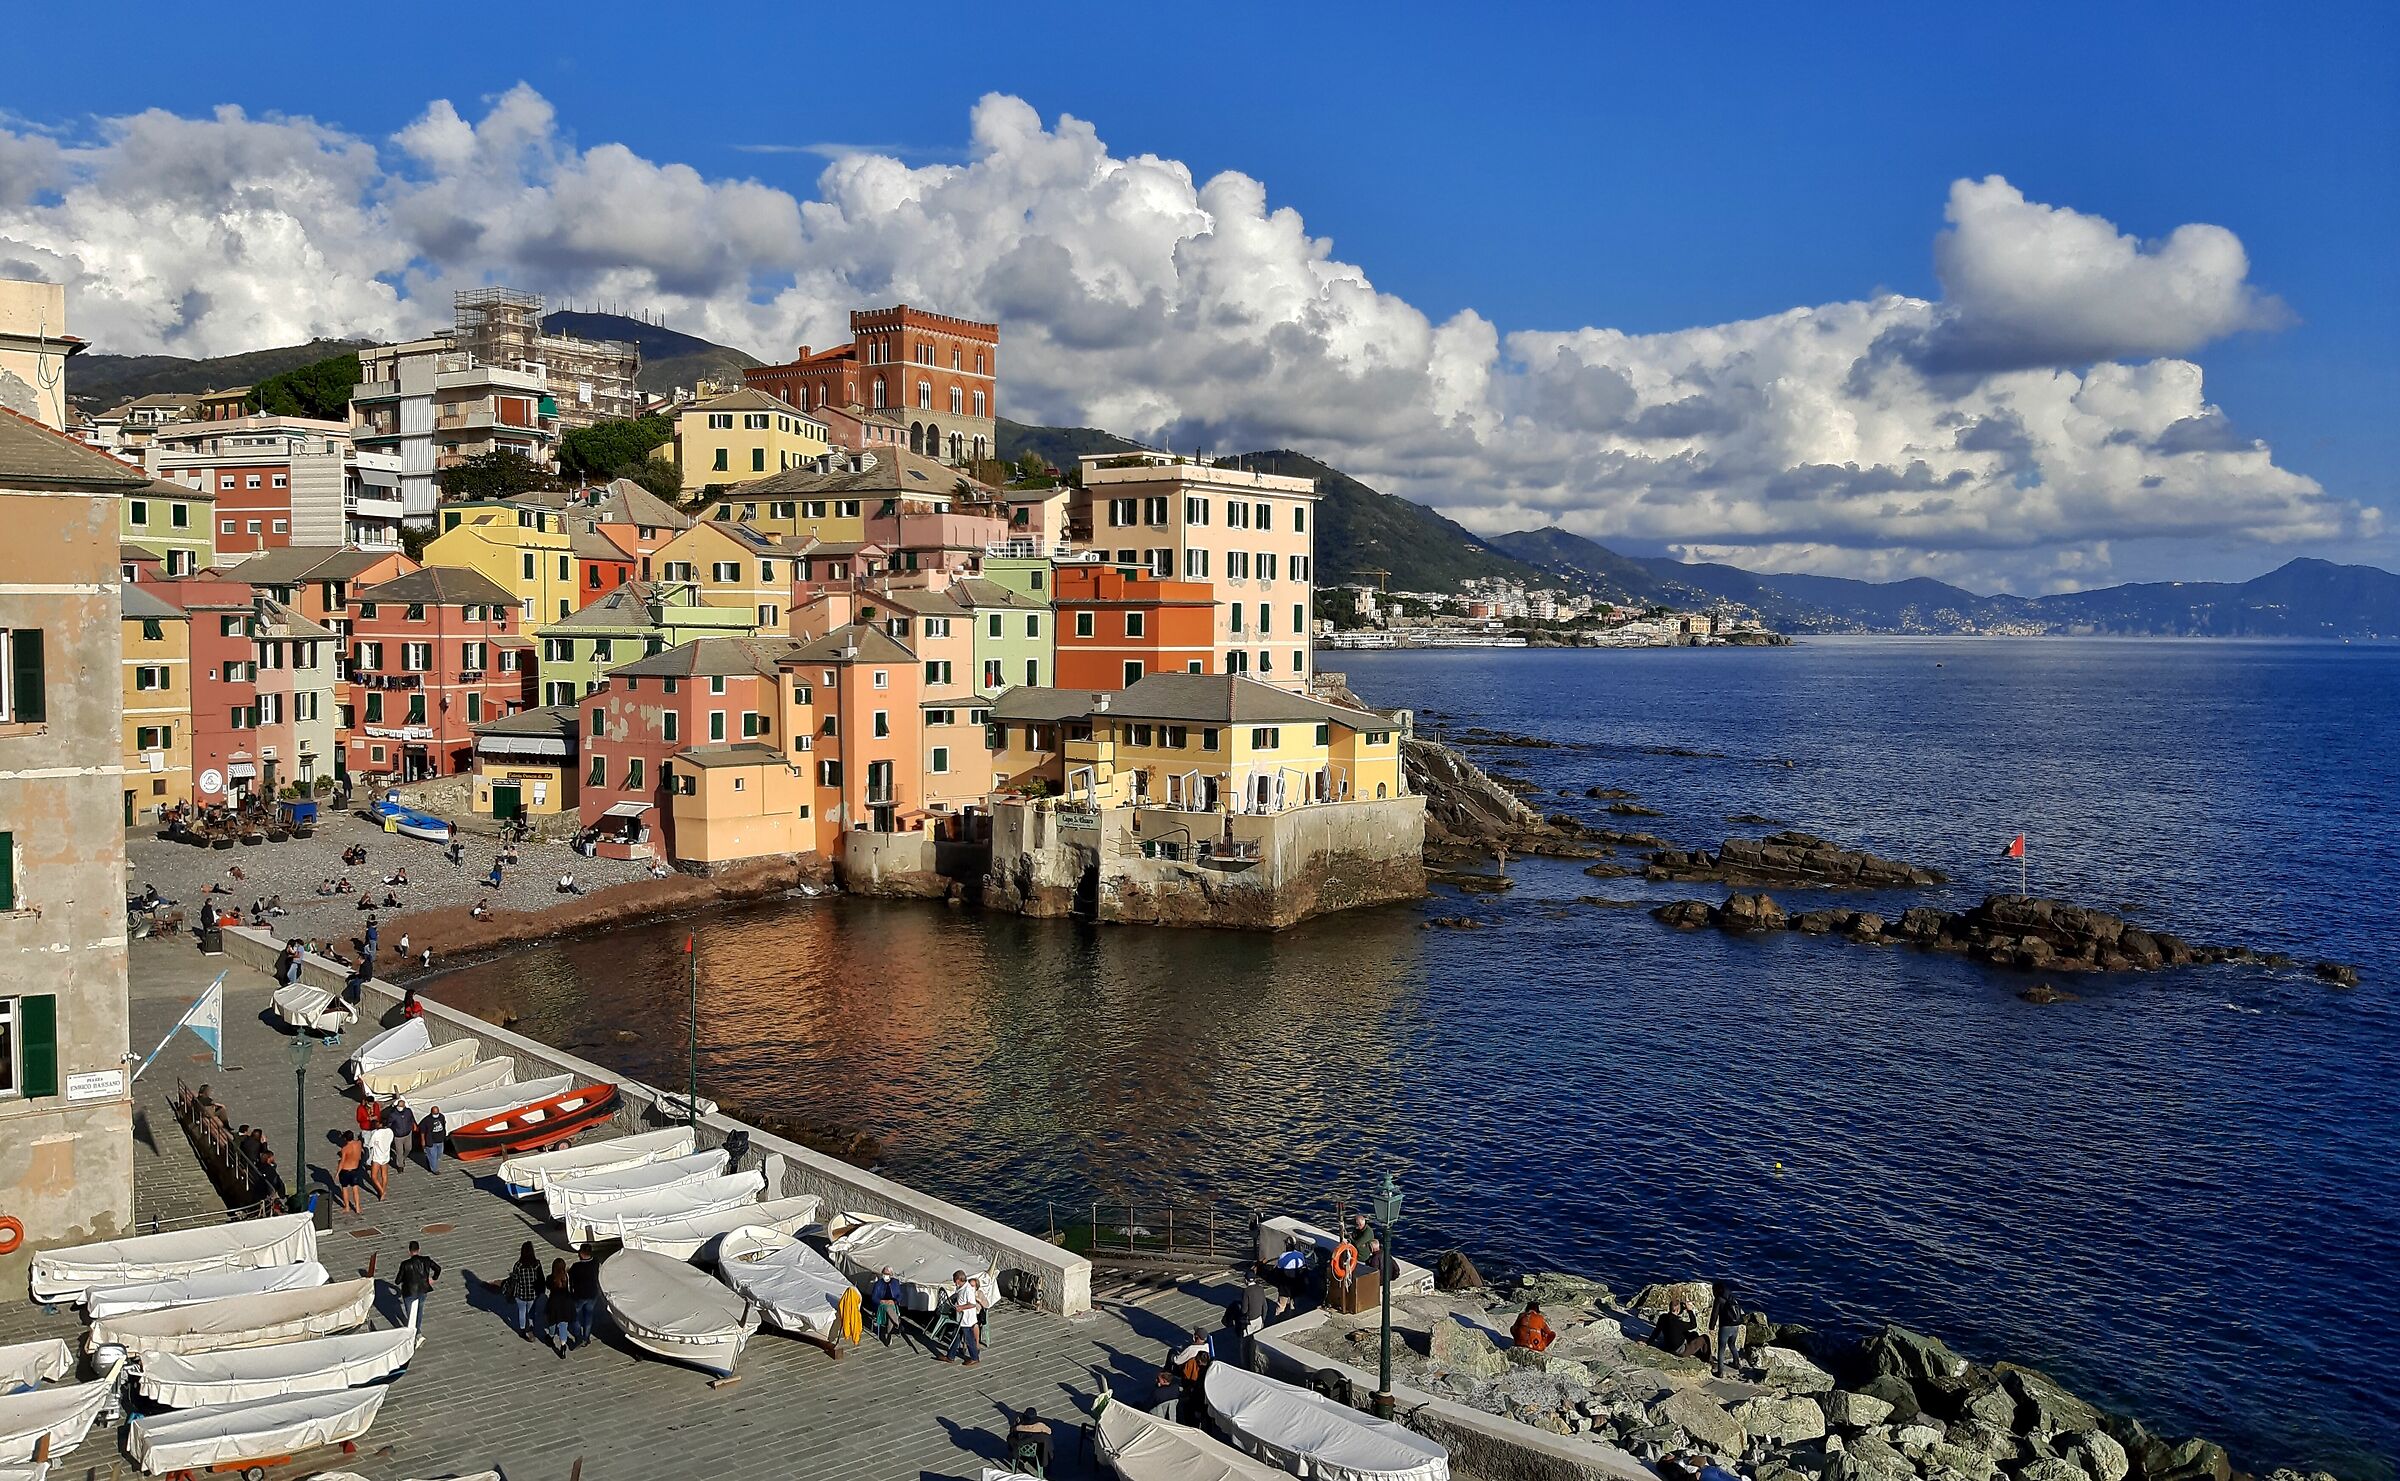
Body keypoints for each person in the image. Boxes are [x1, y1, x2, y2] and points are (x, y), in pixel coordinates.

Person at [502, 1242, 545, 1339]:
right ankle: (530, 1328)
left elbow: (515, 1279)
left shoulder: (518, 1265)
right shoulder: (536, 1264)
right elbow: (541, 1278)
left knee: (521, 1311)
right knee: (530, 1312)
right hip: (532, 1293)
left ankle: (522, 1330)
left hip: (520, 1293)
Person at [396, 1239, 440, 1333]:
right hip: (423, 1289)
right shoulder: (426, 1260)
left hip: (409, 1291)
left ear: (409, 1251)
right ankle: (418, 1329)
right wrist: (433, 1278)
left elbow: (397, 1281)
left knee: (410, 1313)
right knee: (419, 1310)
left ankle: (414, 1332)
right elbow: (438, 1268)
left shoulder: (405, 1264)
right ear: (419, 1249)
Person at [1171, 1327, 1212, 1425]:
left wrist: (1173, 1356)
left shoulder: (1191, 1349)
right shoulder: (1207, 1348)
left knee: (1171, 1354)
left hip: (1189, 1377)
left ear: (1196, 1337)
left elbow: (1177, 1360)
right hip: (1195, 1377)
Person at [941, 1270, 981, 1365]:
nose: (955, 1282)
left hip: (966, 1319)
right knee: (956, 1336)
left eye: (955, 1280)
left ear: (959, 1279)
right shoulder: (962, 1288)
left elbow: (972, 1304)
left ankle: (974, 1357)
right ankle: (950, 1356)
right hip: (961, 1319)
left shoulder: (968, 1290)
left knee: (969, 1339)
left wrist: (961, 1307)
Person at [1709, 1281, 1746, 1377]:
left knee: (1721, 1349)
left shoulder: (1719, 1299)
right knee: (1732, 1345)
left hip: (1725, 1326)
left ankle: (1720, 1372)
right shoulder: (1731, 1296)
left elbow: (1714, 1314)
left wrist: (1711, 1327)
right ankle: (1736, 1363)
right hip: (1736, 1325)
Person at [568, 1247, 603, 1348]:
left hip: (580, 1295)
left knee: (576, 1316)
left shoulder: (576, 1267)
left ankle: (579, 1337)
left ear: (582, 1253)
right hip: (592, 1294)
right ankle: (586, 1337)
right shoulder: (595, 1262)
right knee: (588, 1316)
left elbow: (572, 1279)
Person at [1006, 1407, 1054, 1475]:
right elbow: (1049, 1431)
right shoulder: (1039, 1426)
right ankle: (1045, 1462)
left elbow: (1011, 1434)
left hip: (1021, 1447)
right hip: (1036, 1448)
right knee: (1047, 1438)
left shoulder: (1019, 1426)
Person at [545, 1258, 577, 1357]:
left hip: (554, 1302)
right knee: (563, 1325)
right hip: (566, 1302)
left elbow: (548, 1286)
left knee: (552, 1321)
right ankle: (563, 1346)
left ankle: (550, 1336)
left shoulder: (551, 1278)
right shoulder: (566, 1276)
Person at [868, 1267, 906, 1346]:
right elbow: (874, 1297)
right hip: (881, 1305)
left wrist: (893, 1301)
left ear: (891, 1275)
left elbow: (900, 1295)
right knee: (888, 1309)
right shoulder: (878, 1284)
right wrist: (881, 1301)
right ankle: (898, 1324)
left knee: (890, 1313)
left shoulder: (895, 1282)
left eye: (887, 1274)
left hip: (892, 1304)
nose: (886, 1275)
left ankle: (889, 1335)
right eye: (884, 1274)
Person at [382, 1100, 416, 1179]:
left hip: (408, 1134)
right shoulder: (393, 1114)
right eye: (399, 1106)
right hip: (398, 1136)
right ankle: (400, 1165)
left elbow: (411, 1119)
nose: (400, 1108)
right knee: (399, 1151)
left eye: (401, 1106)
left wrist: (412, 1126)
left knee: (408, 1148)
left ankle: (402, 1159)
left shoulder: (408, 1111)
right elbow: (389, 1123)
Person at [335, 1132, 365, 1215]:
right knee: (355, 1189)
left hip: (345, 1170)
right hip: (355, 1169)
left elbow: (342, 1161)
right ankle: (358, 1207)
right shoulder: (358, 1144)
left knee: (344, 1188)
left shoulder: (345, 1148)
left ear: (345, 1139)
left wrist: (337, 1173)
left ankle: (347, 1207)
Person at [364, 1118, 395, 1199]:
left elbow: (370, 1144)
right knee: (384, 1175)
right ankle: (384, 1190)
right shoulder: (390, 1131)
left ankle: (381, 1192)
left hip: (377, 1157)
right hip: (386, 1155)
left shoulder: (376, 1133)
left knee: (373, 1176)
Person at [419, 1106, 447, 1173]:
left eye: (437, 1113)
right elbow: (422, 1131)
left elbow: (443, 1125)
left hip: (440, 1140)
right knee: (433, 1156)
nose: (436, 1115)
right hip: (431, 1141)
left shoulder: (441, 1117)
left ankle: (430, 1163)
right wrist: (423, 1141)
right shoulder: (426, 1120)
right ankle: (434, 1170)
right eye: (434, 1113)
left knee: (439, 1155)